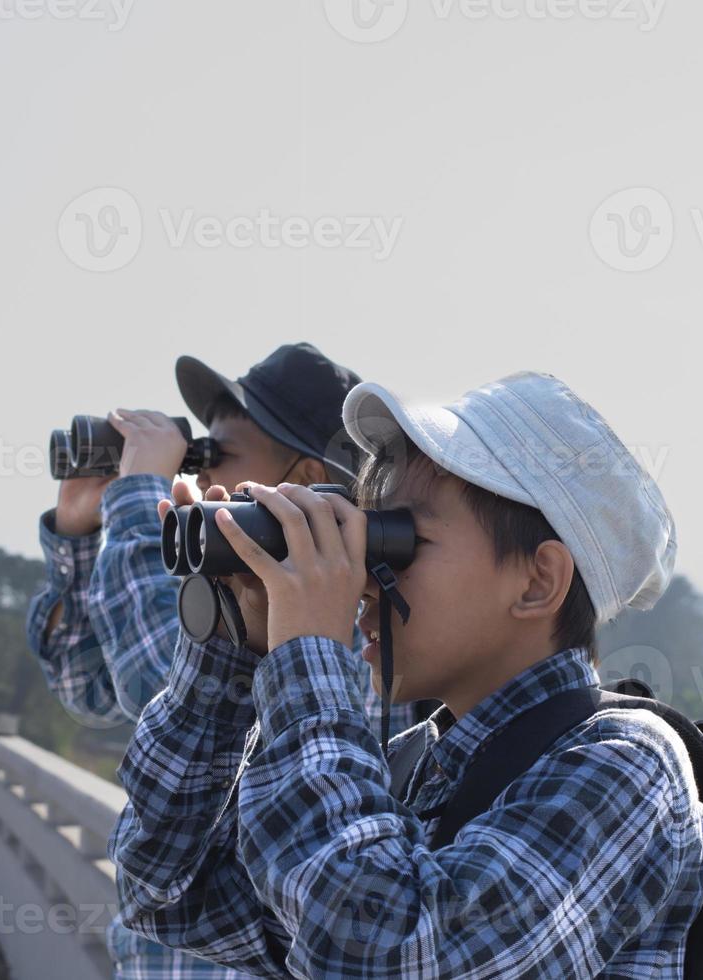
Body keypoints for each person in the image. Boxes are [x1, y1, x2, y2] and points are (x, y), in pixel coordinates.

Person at [110, 371, 703, 978]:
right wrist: (231, 650)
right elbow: (171, 893)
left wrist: (309, 656)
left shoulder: (627, 767)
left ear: (537, 582)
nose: (364, 579)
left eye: (399, 541)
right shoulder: (414, 766)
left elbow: (389, 955)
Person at [24, 343, 424, 979]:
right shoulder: (258, 596)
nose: (203, 475)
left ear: (303, 473)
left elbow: (154, 673)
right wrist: (80, 533)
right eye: (197, 454)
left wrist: (137, 500)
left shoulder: (343, 616)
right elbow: (91, 687)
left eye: (220, 456)